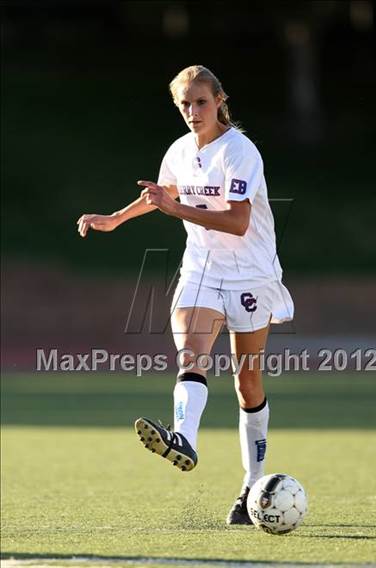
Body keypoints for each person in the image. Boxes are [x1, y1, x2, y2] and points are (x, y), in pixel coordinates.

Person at [77, 65, 294, 525]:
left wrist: (177, 209)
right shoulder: (179, 150)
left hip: (251, 276)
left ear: (219, 101)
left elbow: (237, 222)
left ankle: (251, 485)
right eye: (184, 105)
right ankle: (183, 439)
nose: (193, 112)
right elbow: (164, 193)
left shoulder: (240, 151)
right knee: (190, 357)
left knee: (246, 382)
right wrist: (115, 218)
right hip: (201, 270)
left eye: (200, 102)